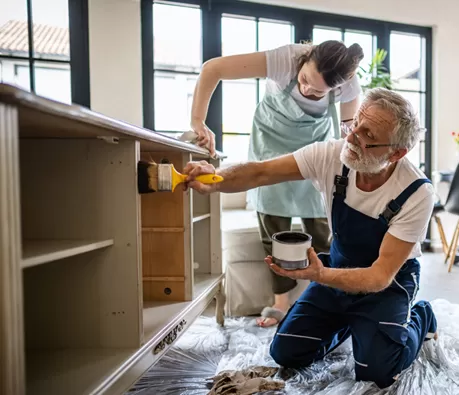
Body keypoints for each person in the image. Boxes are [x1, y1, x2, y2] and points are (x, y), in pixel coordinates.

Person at [183, 88, 437, 389]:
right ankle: (351, 322)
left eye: (366, 133)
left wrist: (319, 275)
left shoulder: (416, 192)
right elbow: (262, 173)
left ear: (396, 153)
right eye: (354, 123)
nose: (352, 136)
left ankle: (423, 316)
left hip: (387, 284)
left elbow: (380, 276)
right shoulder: (333, 155)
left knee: (378, 372)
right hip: (338, 270)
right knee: (287, 353)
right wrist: (215, 179)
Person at [188, 40, 365, 327]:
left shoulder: (349, 85)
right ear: (304, 60)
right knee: (274, 227)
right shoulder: (284, 60)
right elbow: (213, 68)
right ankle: (280, 301)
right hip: (270, 142)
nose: (308, 90)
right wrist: (198, 121)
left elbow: (347, 136)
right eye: (305, 80)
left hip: (314, 149)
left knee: (322, 230)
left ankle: (327, 300)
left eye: (319, 91)